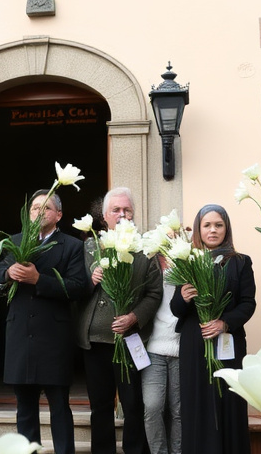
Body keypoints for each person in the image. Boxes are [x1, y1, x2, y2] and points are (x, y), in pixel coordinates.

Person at [0, 190, 91, 454]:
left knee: (59, 405)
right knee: (24, 407)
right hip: (19, 333)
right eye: (35, 208)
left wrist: (39, 280)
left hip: (53, 336)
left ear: (58, 215)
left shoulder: (72, 246)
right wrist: (7, 273)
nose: (39, 213)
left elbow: (78, 287)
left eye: (46, 208)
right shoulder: (15, 242)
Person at [76, 187, 162, 454]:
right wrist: (89, 281)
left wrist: (134, 317)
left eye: (127, 210)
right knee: (100, 406)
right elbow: (73, 288)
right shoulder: (90, 246)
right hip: (95, 341)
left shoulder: (144, 248)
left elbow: (154, 292)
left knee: (133, 404)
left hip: (131, 340)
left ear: (133, 214)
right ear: (104, 217)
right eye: (116, 210)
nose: (122, 215)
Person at [171, 205, 256, 454]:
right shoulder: (187, 261)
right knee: (198, 405)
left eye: (218, 225)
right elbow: (176, 309)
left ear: (226, 228)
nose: (213, 230)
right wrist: (184, 297)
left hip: (228, 343)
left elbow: (248, 303)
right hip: (196, 345)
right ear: (198, 229)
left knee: (229, 401)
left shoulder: (240, 262)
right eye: (207, 225)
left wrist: (224, 322)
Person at [141, 250, 180, 454]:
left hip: (182, 350)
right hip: (153, 349)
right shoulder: (148, 266)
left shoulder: (187, 264)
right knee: (153, 406)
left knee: (179, 410)